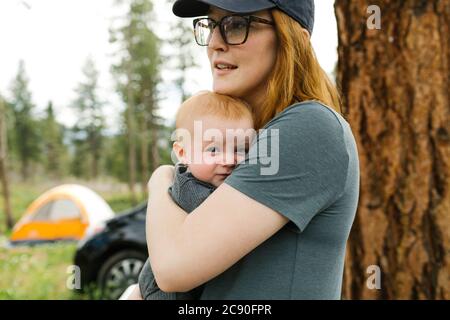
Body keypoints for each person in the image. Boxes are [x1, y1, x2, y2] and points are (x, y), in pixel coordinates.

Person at [139, 0, 360, 299]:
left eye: (236, 25)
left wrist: (161, 178)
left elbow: (172, 268)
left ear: (293, 39)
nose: (215, 43)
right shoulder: (254, 140)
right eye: (211, 25)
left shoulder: (310, 126)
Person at [132, 91, 254, 300]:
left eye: (240, 149)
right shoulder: (189, 188)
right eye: (213, 149)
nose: (230, 159)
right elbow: (222, 218)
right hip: (163, 293)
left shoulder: (214, 180)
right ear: (183, 154)